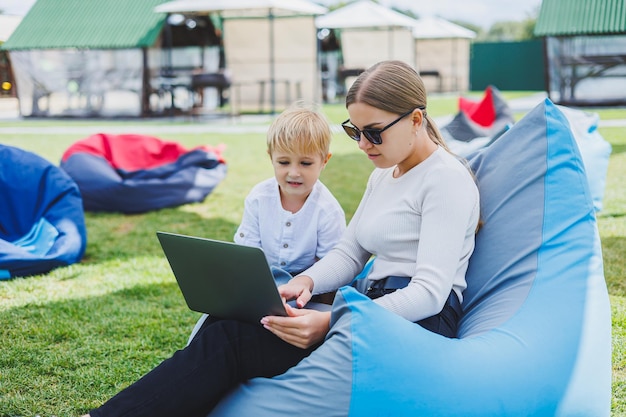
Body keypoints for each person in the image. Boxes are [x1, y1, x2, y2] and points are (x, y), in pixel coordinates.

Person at [82, 60, 480, 417]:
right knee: (232, 317)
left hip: (415, 325)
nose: (362, 145)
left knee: (232, 341)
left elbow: (429, 293)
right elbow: (351, 252)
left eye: (373, 133)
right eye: (354, 131)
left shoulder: (444, 179)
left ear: (415, 119)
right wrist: (304, 283)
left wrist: (332, 320)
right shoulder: (384, 174)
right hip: (369, 309)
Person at [233, 103, 346, 285]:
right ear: (271, 158)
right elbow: (247, 254)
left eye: (305, 163)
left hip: (308, 289)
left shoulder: (328, 210)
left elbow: (331, 267)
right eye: (284, 162)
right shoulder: (259, 198)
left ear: (324, 161)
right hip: (262, 282)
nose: (294, 172)